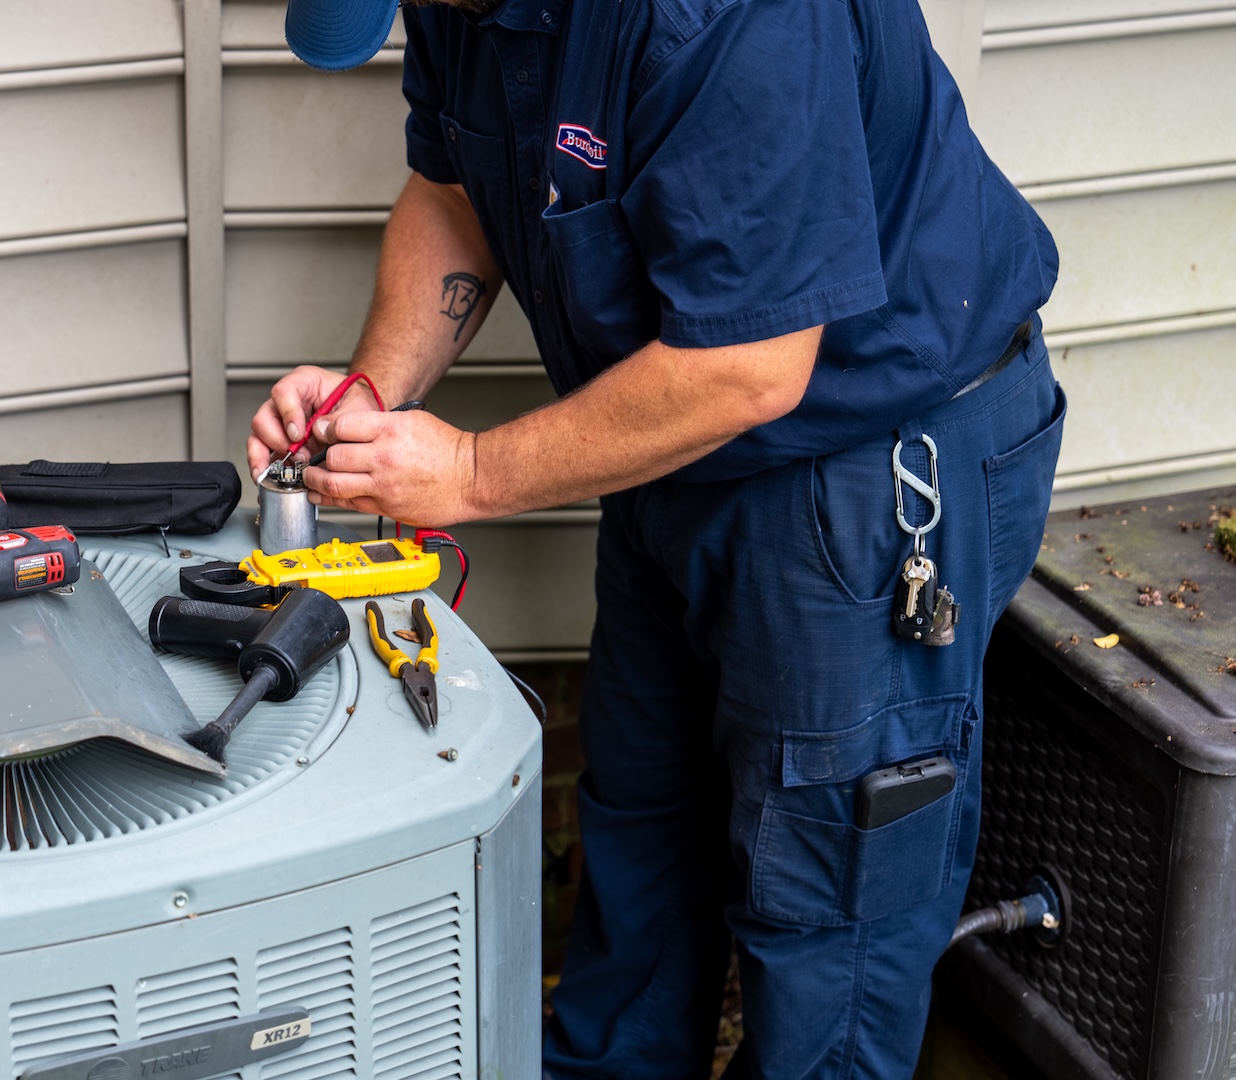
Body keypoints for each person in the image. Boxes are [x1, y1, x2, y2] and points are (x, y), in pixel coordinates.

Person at [250, 0, 1065, 1075]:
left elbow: (753, 366)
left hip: (864, 464)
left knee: (824, 915)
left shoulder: (739, 19)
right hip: (669, 440)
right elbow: (454, 190)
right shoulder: (464, 10)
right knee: (641, 839)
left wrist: (474, 471)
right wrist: (372, 395)